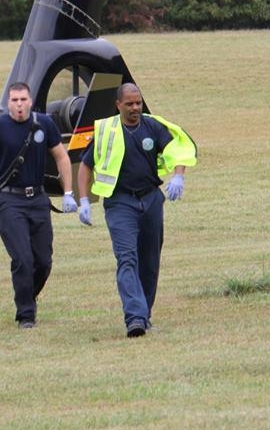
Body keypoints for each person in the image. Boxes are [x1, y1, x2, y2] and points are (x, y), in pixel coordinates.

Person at [76, 82, 197, 337]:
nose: (135, 108)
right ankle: (135, 318)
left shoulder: (152, 126)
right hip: (120, 203)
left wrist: (179, 176)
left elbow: (177, 150)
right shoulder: (106, 131)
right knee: (127, 258)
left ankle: (145, 313)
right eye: (129, 103)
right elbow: (86, 166)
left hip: (151, 200)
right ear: (117, 105)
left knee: (150, 261)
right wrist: (84, 200)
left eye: (138, 103)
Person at [0, 82, 78, 328]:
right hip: (9, 201)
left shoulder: (44, 124)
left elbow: (61, 156)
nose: (19, 105)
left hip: (37, 199)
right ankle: (26, 314)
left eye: (23, 99)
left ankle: (28, 295)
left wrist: (68, 192)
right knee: (23, 259)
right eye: (14, 100)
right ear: (8, 103)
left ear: (30, 100)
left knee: (44, 261)